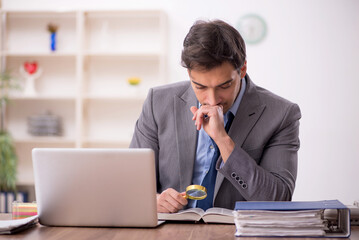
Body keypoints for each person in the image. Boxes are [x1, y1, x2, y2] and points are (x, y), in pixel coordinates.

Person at [130, 19, 301, 213]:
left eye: (224, 86)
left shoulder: (281, 114)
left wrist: (223, 141)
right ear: (189, 73)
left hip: (237, 232)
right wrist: (153, 200)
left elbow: (278, 199)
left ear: (242, 69)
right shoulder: (158, 102)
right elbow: (130, 185)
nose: (211, 100)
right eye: (200, 87)